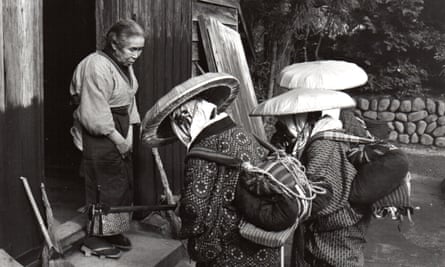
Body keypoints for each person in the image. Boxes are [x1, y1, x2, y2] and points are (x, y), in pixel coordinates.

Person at [140, 73, 281, 267]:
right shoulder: (246, 135)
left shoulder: (202, 150)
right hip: (262, 243)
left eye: (178, 127)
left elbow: (194, 206)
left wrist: (181, 228)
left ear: (187, 119)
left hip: (229, 251)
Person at [69, 19, 145, 258]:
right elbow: (95, 111)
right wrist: (118, 139)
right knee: (103, 183)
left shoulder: (124, 65)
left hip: (122, 128)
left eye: (140, 49)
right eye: (132, 49)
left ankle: (111, 231)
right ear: (114, 44)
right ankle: (94, 237)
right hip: (101, 132)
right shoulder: (96, 66)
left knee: (121, 183)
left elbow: (130, 99)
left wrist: (130, 135)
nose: (137, 55)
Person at [271, 112, 372, 267]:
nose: (285, 137)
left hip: (330, 249)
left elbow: (319, 198)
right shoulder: (330, 137)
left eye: (287, 130)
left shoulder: (324, 146)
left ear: (299, 122)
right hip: (339, 244)